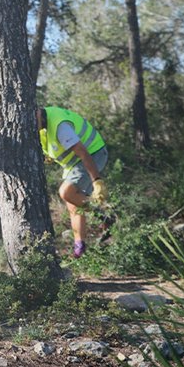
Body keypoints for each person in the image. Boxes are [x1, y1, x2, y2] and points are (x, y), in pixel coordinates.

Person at [37, 106, 111, 258]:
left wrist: (97, 180)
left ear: (37, 115)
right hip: (73, 165)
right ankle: (80, 249)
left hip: (93, 154)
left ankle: (106, 217)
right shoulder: (41, 125)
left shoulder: (60, 126)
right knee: (73, 205)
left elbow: (83, 153)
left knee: (67, 192)